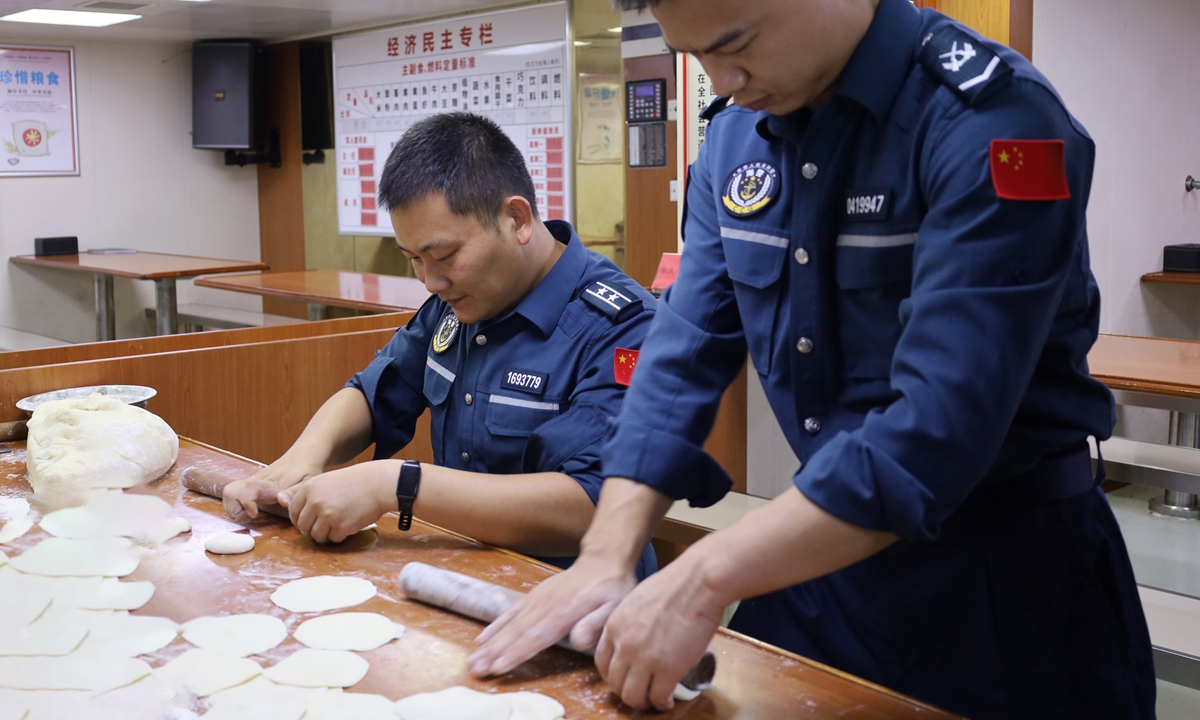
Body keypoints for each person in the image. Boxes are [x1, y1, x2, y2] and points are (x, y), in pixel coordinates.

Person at [468, 0, 1155, 717]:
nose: (722, 80)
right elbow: (680, 357)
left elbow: (931, 436)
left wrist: (701, 576)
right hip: (816, 558)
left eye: (735, 43)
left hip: (1005, 583)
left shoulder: (990, 120)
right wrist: (607, 555)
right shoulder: (737, 140)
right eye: (694, 56)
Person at [223, 112, 657, 578]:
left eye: (445, 256)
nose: (432, 280)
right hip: (464, 574)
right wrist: (301, 461)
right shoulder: (458, 301)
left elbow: (598, 504)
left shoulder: (623, 327)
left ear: (516, 219)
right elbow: (374, 392)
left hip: (580, 598)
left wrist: (400, 485)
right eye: (414, 259)